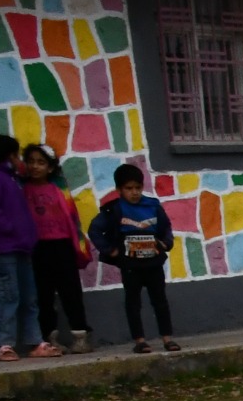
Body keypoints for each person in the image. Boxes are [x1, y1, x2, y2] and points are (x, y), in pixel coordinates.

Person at [0, 133, 53, 360]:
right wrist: (13, 229)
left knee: (29, 297)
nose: (20, 160)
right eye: (17, 155)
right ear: (9, 155)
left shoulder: (11, 178)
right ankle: (5, 344)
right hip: (5, 248)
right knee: (8, 297)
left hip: (22, 247)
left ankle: (35, 341)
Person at [88, 164, 179, 353]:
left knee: (160, 300)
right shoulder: (113, 210)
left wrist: (165, 243)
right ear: (119, 190)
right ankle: (140, 341)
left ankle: (167, 339)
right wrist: (109, 250)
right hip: (130, 264)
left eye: (138, 188)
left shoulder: (153, 206)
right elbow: (95, 229)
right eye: (129, 189)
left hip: (153, 262)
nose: (134, 193)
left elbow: (166, 228)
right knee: (133, 302)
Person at [22, 143, 95, 352]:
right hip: (38, 248)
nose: (35, 166)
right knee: (43, 295)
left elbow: (71, 219)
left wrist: (78, 245)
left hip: (62, 246)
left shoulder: (59, 190)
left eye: (41, 162)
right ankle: (49, 337)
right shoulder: (23, 189)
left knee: (70, 292)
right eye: (31, 162)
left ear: (51, 168)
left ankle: (80, 336)